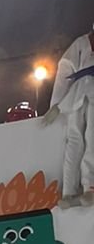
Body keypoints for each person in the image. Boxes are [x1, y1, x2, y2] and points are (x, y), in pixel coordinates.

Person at [42, 27, 94, 206]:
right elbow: (64, 70)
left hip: (84, 94)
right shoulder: (81, 43)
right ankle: (68, 192)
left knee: (92, 139)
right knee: (74, 141)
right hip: (76, 93)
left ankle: (89, 187)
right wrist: (56, 104)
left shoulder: (81, 43)